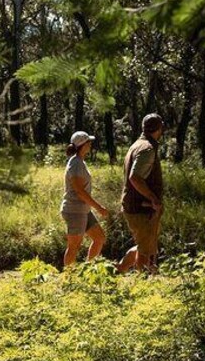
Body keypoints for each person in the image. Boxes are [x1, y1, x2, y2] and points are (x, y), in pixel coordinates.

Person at [118, 113, 164, 273]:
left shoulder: (137, 145)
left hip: (136, 206)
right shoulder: (147, 149)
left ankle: (119, 270)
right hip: (141, 208)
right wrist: (153, 199)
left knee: (145, 245)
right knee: (146, 251)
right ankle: (142, 284)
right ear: (160, 129)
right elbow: (135, 178)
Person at [60, 131, 109, 268]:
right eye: (89, 142)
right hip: (75, 210)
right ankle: (68, 278)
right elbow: (79, 191)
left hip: (83, 210)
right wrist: (99, 208)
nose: (90, 144)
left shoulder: (80, 162)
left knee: (99, 238)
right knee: (74, 246)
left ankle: (87, 271)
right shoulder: (75, 164)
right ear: (83, 145)